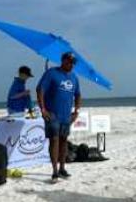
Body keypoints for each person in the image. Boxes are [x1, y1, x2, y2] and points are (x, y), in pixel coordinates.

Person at [37, 52, 82, 183]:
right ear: (62, 61)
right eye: (69, 61)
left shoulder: (74, 77)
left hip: (66, 115)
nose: (71, 64)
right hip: (52, 114)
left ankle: (62, 168)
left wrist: (76, 111)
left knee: (64, 140)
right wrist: (43, 109)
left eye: (73, 62)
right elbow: (40, 89)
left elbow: (78, 95)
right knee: (54, 140)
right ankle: (54, 171)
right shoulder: (52, 73)